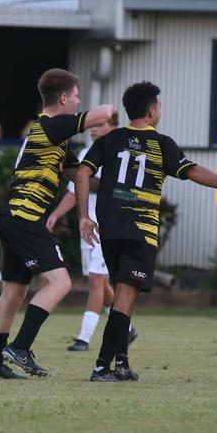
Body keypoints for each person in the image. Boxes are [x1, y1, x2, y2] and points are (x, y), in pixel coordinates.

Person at [74, 81, 217, 382]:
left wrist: (84, 216)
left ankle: (120, 363)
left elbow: (82, 172)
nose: (160, 109)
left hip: (109, 227)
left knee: (124, 294)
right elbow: (193, 171)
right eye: (159, 105)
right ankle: (101, 368)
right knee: (123, 296)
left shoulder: (111, 139)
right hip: (139, 229)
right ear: (151, 110)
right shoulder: (162, 144)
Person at [0, 68, 114, 379]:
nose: (79, 101)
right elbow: (105, 113)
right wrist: (121, 124)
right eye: (77, 96)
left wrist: (87, 211)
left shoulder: (54, 137)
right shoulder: (53, 127)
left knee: (13, 293)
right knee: (61, 282)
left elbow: (80, 175)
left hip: (14, 218)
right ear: (64, 98)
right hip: (25, 219)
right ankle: (20, 347)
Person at [46, 112, 138, 352]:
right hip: (87, 224)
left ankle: (84, 339)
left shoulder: (122, 154)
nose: (94, 129)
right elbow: (75, 190)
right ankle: (126, 329)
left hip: (110, 226)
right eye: (93, 125)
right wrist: (56, 214)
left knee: (97, 280)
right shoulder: (88, 154)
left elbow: (130, 193)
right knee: (97, 281)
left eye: (102, 124)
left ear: (114, 126)